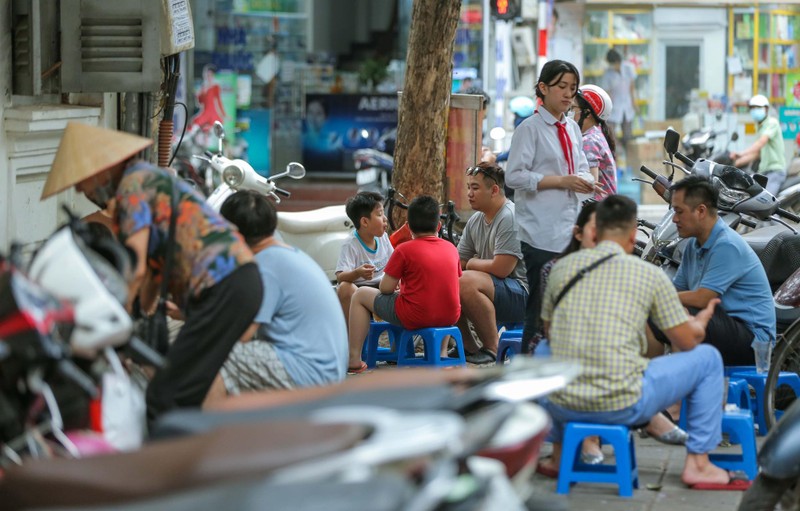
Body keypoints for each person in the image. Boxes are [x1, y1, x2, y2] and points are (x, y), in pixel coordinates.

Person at [41, 122, 261, 424]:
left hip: (224, 284)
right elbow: (153, 277)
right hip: (236, 284)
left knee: (165, 395)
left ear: (101, 169)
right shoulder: (144, 184)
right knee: (181, 389)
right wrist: (134, 322)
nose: (80, 189)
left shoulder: (133, 185)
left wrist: (111, 324)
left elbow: (136, 263)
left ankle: (171, 466)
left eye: (81, 180)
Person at [538, 195, 749, 491]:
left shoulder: (560, 268)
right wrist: (699, 326)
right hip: (623, 404)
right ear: (632, 236)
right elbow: (686, 343)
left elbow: (550, 333)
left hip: (562, 403)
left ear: (595, 233)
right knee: (708, 359)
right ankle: (699, 464)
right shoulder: (648, 274)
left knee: (545, 350)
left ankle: (560, 457)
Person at [537, 200, 687, 465]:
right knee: (546, 352)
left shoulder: (625, 272)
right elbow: (550, 334)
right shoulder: (559, 268)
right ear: (581, 234)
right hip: (585, 380)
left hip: (587, 385)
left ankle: (587, 440)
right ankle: (589, 439)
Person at [201, 191, 347, 403]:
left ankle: (203, 433)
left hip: (310, 374)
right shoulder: (287, 254)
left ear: (234, 235)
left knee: (216, 354)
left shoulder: (264, 267)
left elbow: (240, 332)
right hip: (327, 372)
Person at [505, 59, 593, 353]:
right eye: (562, 87)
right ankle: (529, 370)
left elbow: (581, 168)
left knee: (569, 305)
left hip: (570, 229)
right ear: (543, 88)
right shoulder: (529, 129)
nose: (568, 94)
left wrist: (584, 181)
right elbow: (514, 176)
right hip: (540, 231)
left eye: (573, 88)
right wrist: (561, 181)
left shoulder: (572, 128)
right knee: (540, 308)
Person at [649, 176, 775, 366]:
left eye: (679, 212)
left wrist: (656, 296)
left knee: (680, 313)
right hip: (719, 323)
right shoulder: (693, 244)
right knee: (651, 313)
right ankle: (652, 383)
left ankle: (678, 386)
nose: (674, 219)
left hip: (753, 342)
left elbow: (703, 298)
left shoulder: (727, 245)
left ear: (701, 211)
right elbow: (676, 290)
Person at [346, 195, 462, 373]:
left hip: (414, 316)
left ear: (408, 227)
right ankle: (442, 355)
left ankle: (354, 359)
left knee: (360, 295)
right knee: (442, 305)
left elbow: (385, 288)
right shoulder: (451, 249)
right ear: (438, 226)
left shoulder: (404, 250)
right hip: (451, 316)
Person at [456, 162, 528, 364]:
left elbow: (501, 268)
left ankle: (493, 347)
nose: (469, 193)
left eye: (475, 188)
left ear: (494, 190)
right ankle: (467, 346)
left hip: (522, 293)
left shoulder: (509, 216)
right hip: (496, 288)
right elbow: (458, 262)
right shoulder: (475, 220)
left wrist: (471, 263)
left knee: (465, 281)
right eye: (468, 187)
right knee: (448, 277)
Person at [336, 191, 394, 328]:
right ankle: (354, 339)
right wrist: (358, 273)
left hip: (381, 290)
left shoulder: (383, 238)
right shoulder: (351, 244)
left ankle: (398, 345)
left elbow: (394, 262)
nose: (385, 219)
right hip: (358, 291)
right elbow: (340, 276)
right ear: (364, 222)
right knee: (344, 288)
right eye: (380, 214)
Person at [730, 94, 787, 196]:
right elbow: (757, 153)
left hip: (775, 172)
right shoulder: (760, 127)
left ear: (766, 109)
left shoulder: (772, 123)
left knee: (765, 203)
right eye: (752, 108)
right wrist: (735, 163)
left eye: (758, 108)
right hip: (764, 172)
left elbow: (761, 143)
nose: (755, 110)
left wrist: (741, 153)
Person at [571, 84, 618, 199]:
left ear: (587, 113)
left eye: (573, 108)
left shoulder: (589, 141)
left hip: (598, 212)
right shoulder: (596, 134)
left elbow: (588, 187)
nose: (570, 113)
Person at [601, 49, 638, 155]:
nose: (614, 66)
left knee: (628, 134)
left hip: (627, 105)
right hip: (614, 107)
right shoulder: (608, 74)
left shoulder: (628, 68)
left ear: (618, 61)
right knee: (611, 134)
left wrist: (634, 102)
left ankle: (630, 157)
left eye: (616, 63)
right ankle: (617, 156)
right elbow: (606, 91)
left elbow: (631, 86)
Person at [190, 64, 226, 131]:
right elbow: (200, 103)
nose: (208, 76)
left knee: (213, 130)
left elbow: (218, 101)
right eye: (207, 74)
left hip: (212, 113)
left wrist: (223, 114)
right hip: (205, 112)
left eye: (210, 75)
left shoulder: (215, 87)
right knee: (193, 125)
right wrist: (198, 95)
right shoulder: (203, 87)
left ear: (213, 75)